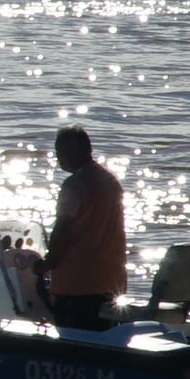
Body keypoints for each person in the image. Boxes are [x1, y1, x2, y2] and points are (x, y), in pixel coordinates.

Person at [43, 123, 129, 331]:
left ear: (74, 151)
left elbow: (62, 231)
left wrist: (46, 264)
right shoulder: (110, 181)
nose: (58, 158)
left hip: (77, 285)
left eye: (60, 152)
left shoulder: (74, 185)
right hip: (110, 281)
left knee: (72, 339)